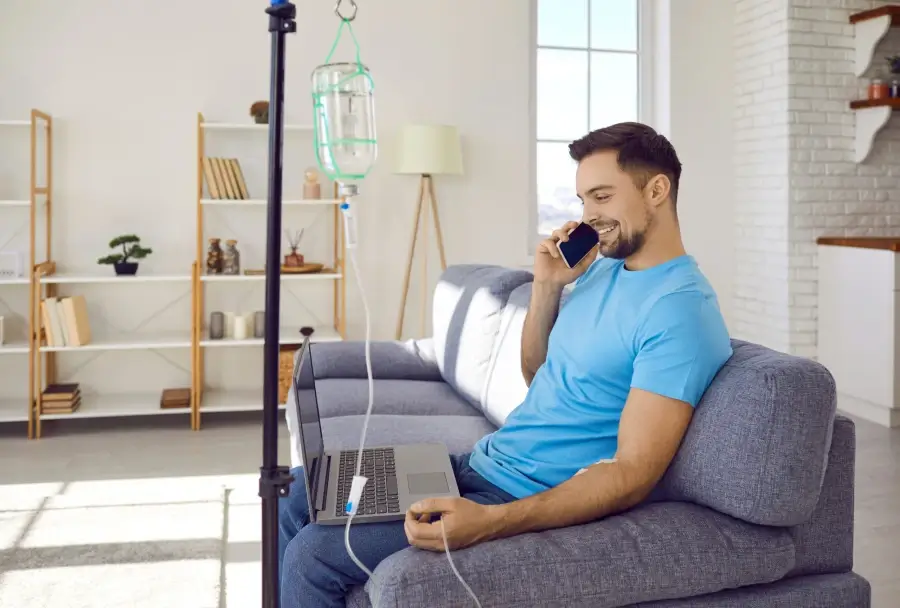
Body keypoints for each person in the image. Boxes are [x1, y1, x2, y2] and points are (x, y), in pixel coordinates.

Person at [278, 121, 733, 607]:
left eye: (601, 196)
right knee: (297, 492)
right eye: (583, 200)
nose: (589, 216)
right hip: (478, 463)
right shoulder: (603, 269)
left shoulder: (680, 311)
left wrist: (490, 522)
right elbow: (538, 374)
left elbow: (632, 473)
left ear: (657, 189)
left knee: (315, 554)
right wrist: (547, 286)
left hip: (515, 497)